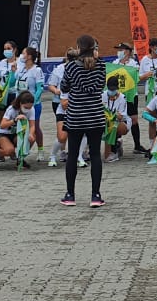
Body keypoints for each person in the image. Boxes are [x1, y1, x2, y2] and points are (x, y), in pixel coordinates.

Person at [61, 35, 107, 207]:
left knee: (73, 154)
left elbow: (64, 87)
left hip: (76, 115)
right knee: (95, 154)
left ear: (78, 48)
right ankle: (96, 195)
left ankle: (70, 194)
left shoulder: (71, 66)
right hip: (95, 114)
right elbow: (101, 85)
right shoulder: (101, 65)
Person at [108, 41, 146, 156]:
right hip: (117, 95)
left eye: (122, 50)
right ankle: (117, 143)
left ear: (128, 51)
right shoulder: (114, 63)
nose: (119, 52)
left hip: (130, 95)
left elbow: (137, 78)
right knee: (116, 117)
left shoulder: (133, 65)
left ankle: (137, 145)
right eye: (118, 50)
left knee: (134, 119)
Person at [0, 90, 37, 170]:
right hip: (4, 134)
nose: (28, 109)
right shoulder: (12, 109)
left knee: (31, 138)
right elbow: (2, 125)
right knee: (9, 151)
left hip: (17, 133)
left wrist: (31, 134)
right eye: (26, 107)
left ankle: (20, 159)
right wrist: (14, 120)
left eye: (30, 107)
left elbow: (32, 125)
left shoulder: (31, 110)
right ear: (20, 103)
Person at [16, 47, 47, 158]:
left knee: (35, 127)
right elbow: (14, 83)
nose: (21, 55)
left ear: (29, 56)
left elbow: (40, 88)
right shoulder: (21, 69)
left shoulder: (37, 70)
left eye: (23, 53)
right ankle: (20, 149)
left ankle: (40, 150)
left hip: (33, 104)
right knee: (21, 126)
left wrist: (33, 101)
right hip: (20, 103)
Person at [101, 74, 130, 163]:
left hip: (120, 122)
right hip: (105, 122)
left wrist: (112, 115)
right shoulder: (102, 95)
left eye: (113, 89)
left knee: (113, 126)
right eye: (110, 89)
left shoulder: (122, 98)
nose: (111, 91)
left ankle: (114, 149)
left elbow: (121, 116)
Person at [0, 41, 23, 127]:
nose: (6, 51)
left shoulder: (21, 62)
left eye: (9, 49)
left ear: (14, 50)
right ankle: (1, 135)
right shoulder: (1, 63)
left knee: (14, 118)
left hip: (15, 94)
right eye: (5, 49)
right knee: (1, 119)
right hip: (2, 95)